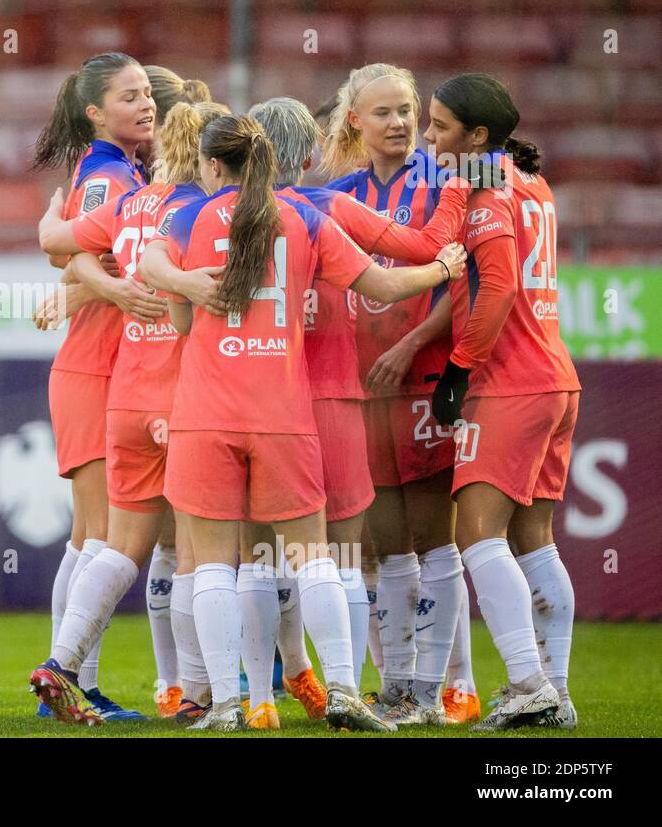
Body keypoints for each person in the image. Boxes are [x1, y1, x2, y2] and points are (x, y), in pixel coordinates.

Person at [147, 114, 464, 732]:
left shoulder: (189, 216)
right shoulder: (308, 219)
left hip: (205, 413)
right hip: (284, 413)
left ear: (213, 167)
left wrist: (185, 283)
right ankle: (345, 692)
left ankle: (222, 706)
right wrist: (442, 270)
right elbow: (385, 282)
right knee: (316, 558)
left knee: (215, 564)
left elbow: (163, 286)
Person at [32, 100, 229, 725]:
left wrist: (51, 227)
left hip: (128, 393)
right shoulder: (205, 211)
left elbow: (61, 244)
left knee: (116, 549)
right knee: (200, 553)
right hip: (185, 396)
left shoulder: (131, 204)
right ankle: (197, 693)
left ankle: (59, 667)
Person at [425, 73, 579, 730]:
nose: (429, 137)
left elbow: (498, 291)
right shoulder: (531, 182)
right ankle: (556, 694)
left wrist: (459, 370)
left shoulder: (487, 186)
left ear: (478, 136)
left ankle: (526, 683)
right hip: (555, 377)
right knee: (534, 541)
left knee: (476, 537)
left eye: (440, 127)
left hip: (510, 381)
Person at [321, 63, 470, 724]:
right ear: (355, 120)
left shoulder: (446, 185)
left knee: (436, 540)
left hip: (425, 378)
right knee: (386, 546)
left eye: (407, 109)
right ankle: (402, 686)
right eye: (383, 112)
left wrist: (410, 345)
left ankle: (439, 690)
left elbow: (463, 281)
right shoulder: (341, 193)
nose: (400, 122)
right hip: (364, 390)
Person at [30, 52, 156, 721]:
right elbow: (67, 248)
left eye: (146, 93)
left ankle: (72, 681)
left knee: (90, 535)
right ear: (95, 112)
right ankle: (72, 679)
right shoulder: (108, 173)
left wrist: (82, 288)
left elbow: (68, 250)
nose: (145, 104)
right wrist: (102, 289)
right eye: (129, 95)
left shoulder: (125, 169)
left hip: (105, 364)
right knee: (102, 534)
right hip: (95, 368)